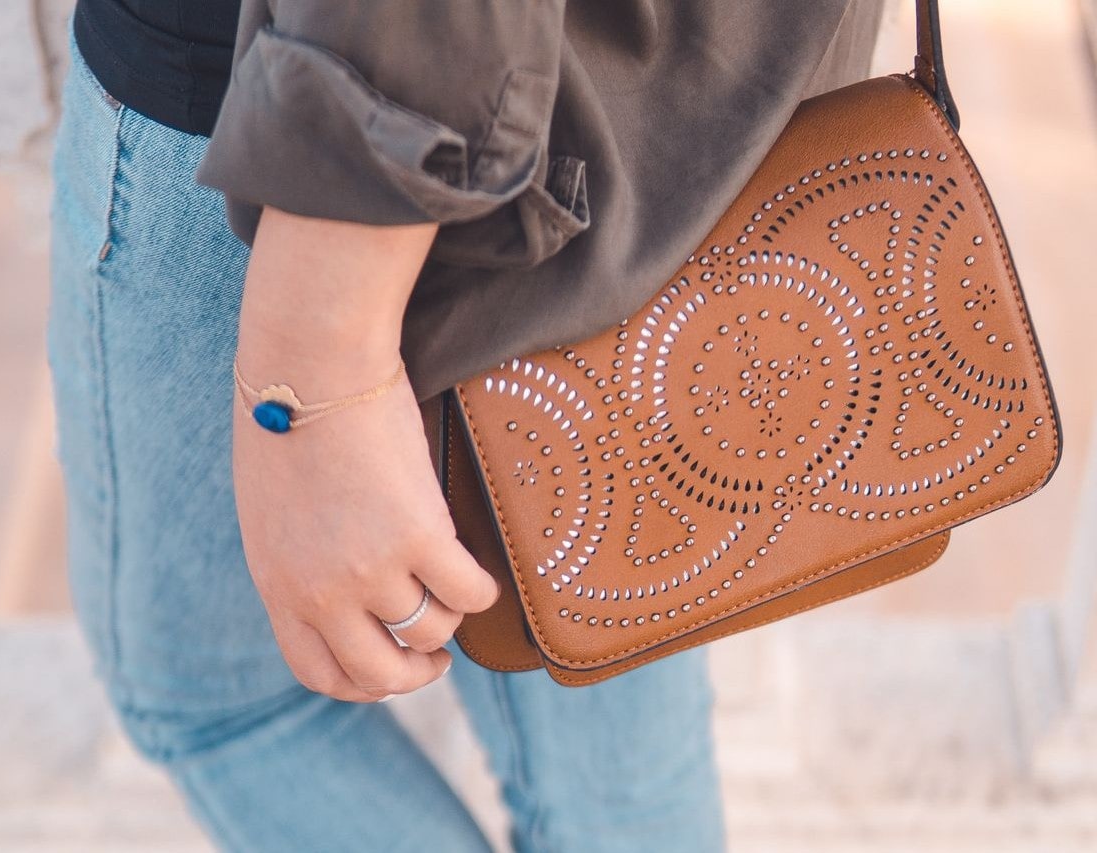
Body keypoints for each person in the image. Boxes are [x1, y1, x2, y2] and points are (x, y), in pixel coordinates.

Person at [47, 1, 884, 849]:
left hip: (305, 140)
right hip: (690, 110)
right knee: (607, 753)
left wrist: (313, 362)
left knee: (225, 702)